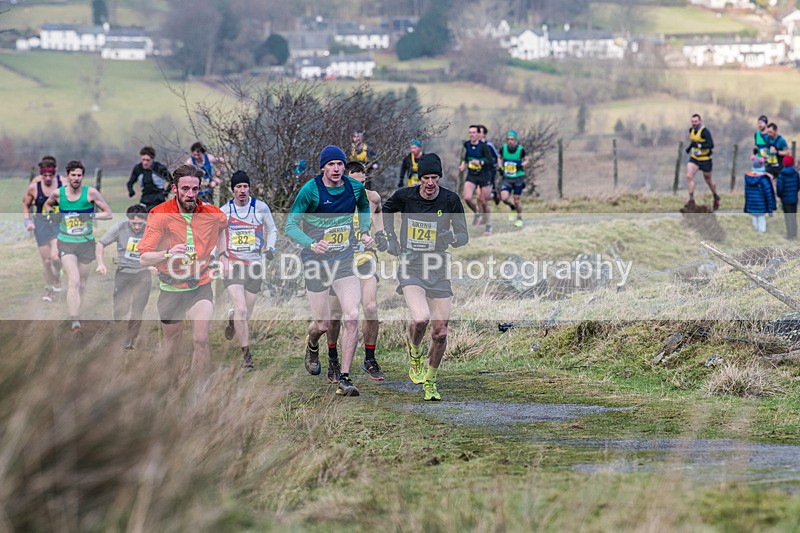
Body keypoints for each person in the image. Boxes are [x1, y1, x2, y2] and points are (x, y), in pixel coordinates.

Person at [285, 145, 373, 397]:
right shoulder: (311, 190)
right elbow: (290, 224)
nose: (336, 169)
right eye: (331, 164)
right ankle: (312, 344)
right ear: (323, 167)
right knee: (322, 324)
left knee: (352, 316)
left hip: (343, 260)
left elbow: (363, 205)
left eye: (340, 164)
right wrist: (311, 243)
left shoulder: (354, 187)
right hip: (316, 261)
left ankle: (344, 377)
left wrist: (364, 231)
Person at [383, 153, 469, 401]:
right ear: (419, 178)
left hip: (438, 267)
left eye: (434, 177)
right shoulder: (405, 196)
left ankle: (430, 381)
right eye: (426, 178)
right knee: (421, 319)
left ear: (439, 177)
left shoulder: (450, 200)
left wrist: (452, 238)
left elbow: (463, 235)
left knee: (441, 332)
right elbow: (386, 210)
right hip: (410, 264)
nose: (430, 183)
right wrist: (390, 238)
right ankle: (415, 353)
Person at [138, 164, 229, 375]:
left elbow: (223, 227)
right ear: (175, 188)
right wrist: (168, 253)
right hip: (171, 289)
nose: (190, 194)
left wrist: (223, 255)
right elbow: (144, 258)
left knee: (201, 340)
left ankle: (200, 388)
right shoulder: (159, 214)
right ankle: (173, 386)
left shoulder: (211, 213)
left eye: (195, 189)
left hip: (200, 285)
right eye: (185, 189)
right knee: (172, 347)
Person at [327, 160, 388, 383]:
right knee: (335, 315)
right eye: (354, 183)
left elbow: (378, 212)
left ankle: (369, 359)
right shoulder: (334, 201)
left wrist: (380, 234)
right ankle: (333, 358)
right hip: (340, 262)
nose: (359, 188)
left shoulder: (372, 198)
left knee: (370, 307)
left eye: (362, 183)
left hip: (364, 259)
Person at [43, 160, 113, 333]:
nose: (76, 178)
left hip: (86, 243)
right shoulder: (58, 194)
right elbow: (47, 205)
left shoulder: (91, 193)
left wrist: (91, 216)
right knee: (73, 281)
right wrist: (53, 214)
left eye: (79, 175)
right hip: (66, 242)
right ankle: (75, 322)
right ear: (67, 176)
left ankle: (76, 310)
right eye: (73, 175)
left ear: (83, 176)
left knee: (82, 284)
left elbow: (108, 214)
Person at [221, 170, 278, 371]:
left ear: (249, 188)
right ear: (233, 190)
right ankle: (246, 356)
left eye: (245, 186)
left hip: (254, 265)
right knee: (242, 309)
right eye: (238, 187)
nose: (242, 190)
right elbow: (216, 235)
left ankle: (232, 320)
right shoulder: (225, 211)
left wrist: (270, 248)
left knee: (246, 312)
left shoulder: (260, 207)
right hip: (233, 265)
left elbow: (272, 229)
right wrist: (218, 257)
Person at [95, 204, 152, 349]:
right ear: (128, 219)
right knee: (121, 309)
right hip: (123, 273)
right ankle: (119, 321)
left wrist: (156, 264)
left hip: (143, 274)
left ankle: (131, 340)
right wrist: (100, 264)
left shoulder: (151, 229)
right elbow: (100, 243)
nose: (137, 227)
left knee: (138, 309)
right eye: (134, 223)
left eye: (140, 223)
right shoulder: (120, 228)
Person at [22, 156, 63, 302]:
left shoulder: (62, 183)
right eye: (45, 175)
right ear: (41, 174)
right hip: (41, 225)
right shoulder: (34, 186)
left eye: (50, 175)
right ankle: (50, 289)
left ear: (54, 173)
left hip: (57, 223)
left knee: (55, 257)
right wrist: (27, 221)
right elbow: (26, 204)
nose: (48, 178)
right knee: (46, 261)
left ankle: (58, 275)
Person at [459, 125, 495, 235]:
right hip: (472, 175)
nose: (471, 134)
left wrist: (480, 162)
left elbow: (491, 161)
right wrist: (464, 164)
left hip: (484, 176)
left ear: (478, 134)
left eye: (474, 132)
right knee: (467, 197)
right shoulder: (467, 145)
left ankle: (488, 225)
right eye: (470, 132)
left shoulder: (484, 147)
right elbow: (466, 158)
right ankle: (477, 212)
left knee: (483, 202)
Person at [685, 114, 721, 211]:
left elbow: (711, 145)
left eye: (696, 122)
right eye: (692, 122)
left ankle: (716, 196)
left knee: (708, 179)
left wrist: (699, 145)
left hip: (705, 159)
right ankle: (691, 200)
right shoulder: (691, 130)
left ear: (700, 121)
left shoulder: (705, 132)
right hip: (694, 158)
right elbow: (693, 142)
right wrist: (689, 148)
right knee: (689, 176)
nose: (694, 124)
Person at [497, 130, 529, 228]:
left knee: (517, 200)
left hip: (518, 178)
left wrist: (521, 165)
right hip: (507, 178)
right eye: (508, 139)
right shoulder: (503, 149)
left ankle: (519, 218)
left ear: (515, 140)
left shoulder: (520, 150)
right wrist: (500, 167)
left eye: (512, 139)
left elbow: (527, 160)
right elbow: (499, 157)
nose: (510, 141)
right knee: (504, 198)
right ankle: (512, 208)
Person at [127, 146, 172, 211]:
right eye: (143, 160)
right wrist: (131, 191)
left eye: (147, 160)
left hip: (158, 200)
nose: (145, 163)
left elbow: (172, 181)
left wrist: (166, 193)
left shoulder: (159, 168)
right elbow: (130, 182)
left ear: (152, 159)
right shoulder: (138, 168)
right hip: (145, 199)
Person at [744, 156, 777, 234]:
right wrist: (770, 208)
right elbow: (768, 194)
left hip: (751, 204)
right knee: (761, 219)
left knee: (754, 218)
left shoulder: (748, 178)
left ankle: (755, 231)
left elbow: (746, 193)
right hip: (762, 205)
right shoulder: (764, 179)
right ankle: (761, 232)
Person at [776, 155, 799, 240]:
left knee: (788, 217)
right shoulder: (796, 173)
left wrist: (780, 195)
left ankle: (789, 235)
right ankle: (794, 235)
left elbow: (780, 188)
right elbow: (798, 185)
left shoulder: (781, 174)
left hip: (785, 200)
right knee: (793, 217)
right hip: (794, 199)